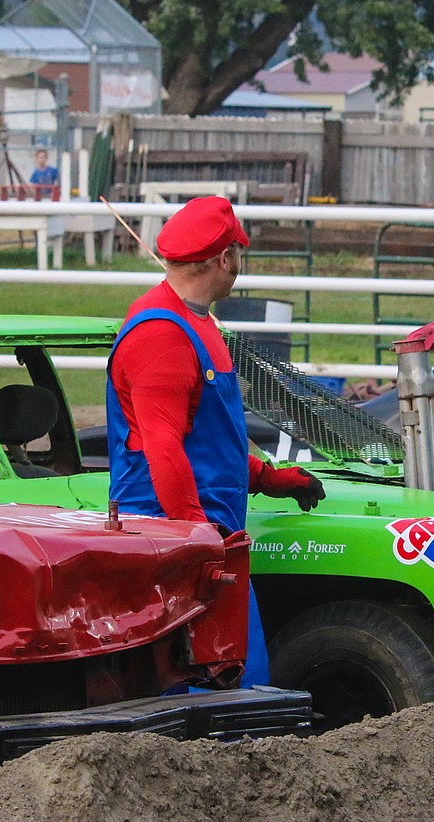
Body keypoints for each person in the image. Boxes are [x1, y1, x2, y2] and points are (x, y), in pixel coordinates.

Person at [107, 196, 326, 685]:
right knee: (217, 683)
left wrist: (266, 479)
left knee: (236, 676)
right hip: (175, 542)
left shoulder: (196, 323)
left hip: (208, 534)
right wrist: (195, 533)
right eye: (238, 252)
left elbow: (203, 438)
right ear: (226, 258)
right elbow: (162, 447)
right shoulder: (162, 335)